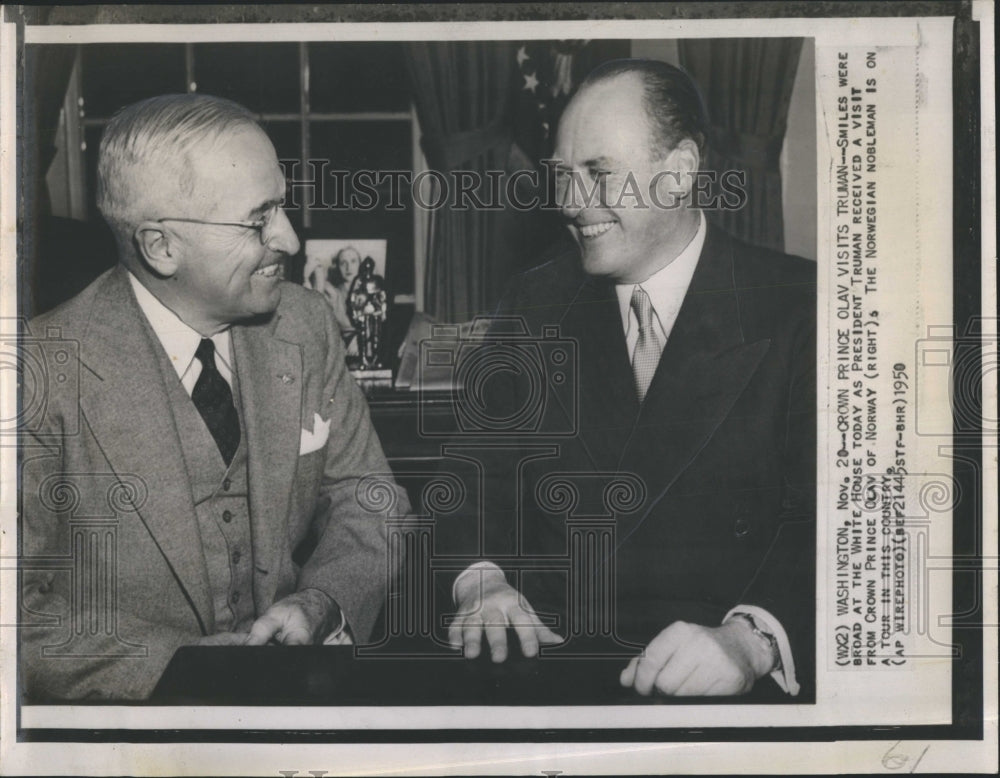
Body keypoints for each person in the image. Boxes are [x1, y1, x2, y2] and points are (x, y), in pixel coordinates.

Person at [19, 94, 409, 700]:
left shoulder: (305, 326)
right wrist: (175, 667)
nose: (289, 238)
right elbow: (15, 610)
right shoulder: (36, 372)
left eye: (281, 206)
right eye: (259, 219)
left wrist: (321, 600)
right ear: (161, 247)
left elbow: (370, 498)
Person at [445, 60, 815, 698]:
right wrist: (482, 581)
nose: (568, 204)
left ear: (679, 172)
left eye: (598, 174)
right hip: (552, 676)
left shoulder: (804, 305)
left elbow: (839, 524)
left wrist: (753, 638)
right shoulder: (534, 304)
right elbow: (471, 489)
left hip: (728, 691)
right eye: (562, 175)